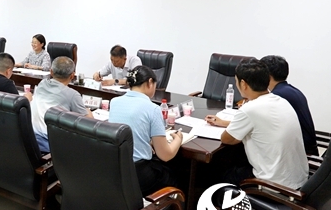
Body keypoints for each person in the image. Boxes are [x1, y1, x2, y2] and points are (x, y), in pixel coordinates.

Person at [205, 58, 308, 189]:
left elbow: (227, 139)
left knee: (216, 172)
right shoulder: (281, 101)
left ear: (243, 84)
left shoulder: (249, 109)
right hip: (299, 179)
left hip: (275, 184)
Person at [108, 66, 182, 196]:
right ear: (150, 82)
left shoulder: (114, 102)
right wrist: (178, 139)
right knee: (175, 175)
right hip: (139, 175)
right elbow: (165, 155)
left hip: (116, 171)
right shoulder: (152, 109)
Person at [31, 56, 93, 152]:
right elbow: (89, 124)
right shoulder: (72, 94)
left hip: (32, 139)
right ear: (72, 76)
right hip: (51, 144)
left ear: (51, 72)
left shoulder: (42, 84)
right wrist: (88, 111)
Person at [261, 55, 317, 155]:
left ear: (267, 75)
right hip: (307, 147)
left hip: (299, 153)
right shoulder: (292, 90)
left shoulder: (277, 96)